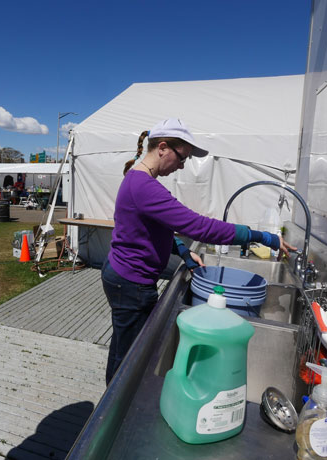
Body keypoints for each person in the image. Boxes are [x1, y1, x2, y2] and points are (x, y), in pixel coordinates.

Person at [102, 118, 295, 383]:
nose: (182, 166)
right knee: (126, 356)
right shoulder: (144, 187)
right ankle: (109, 413)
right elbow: (199, 227)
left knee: (127, 347)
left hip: (125, 276)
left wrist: (181, 249)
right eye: (182, 158)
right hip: (131, 283)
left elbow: (149, 228)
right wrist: (261, 237)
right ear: (162, 148)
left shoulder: (139, 181)